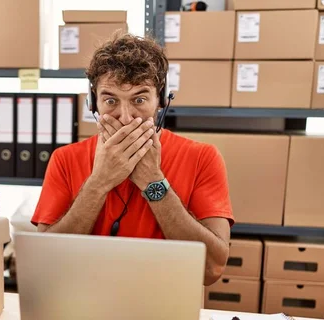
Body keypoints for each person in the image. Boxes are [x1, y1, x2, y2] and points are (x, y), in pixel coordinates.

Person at [31, 33, 234, 286]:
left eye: (139, 99)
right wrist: (99, 182)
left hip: (164, 309)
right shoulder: (64, 159)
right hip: (83, 306)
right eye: (110, 100)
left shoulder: (202, 157)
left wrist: (153, 182)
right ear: (93, 103)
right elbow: (45, 265)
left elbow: (211, 269)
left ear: (160, 100)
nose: (126, 117)